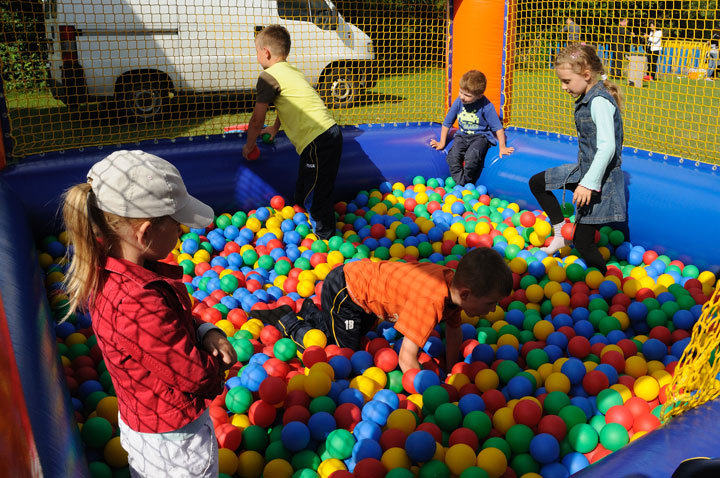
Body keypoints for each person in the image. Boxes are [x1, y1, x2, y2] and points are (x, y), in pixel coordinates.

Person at [61, 150, 237, 477]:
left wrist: (204, 332)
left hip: (145, 422)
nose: (182, 233)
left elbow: (168, 334)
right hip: (173, 443)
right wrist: (222, 365)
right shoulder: (136, 302)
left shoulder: (116, 271)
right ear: (145, 233)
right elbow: (195, 375)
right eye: (177, 225)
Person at [250, 247, 512, 373]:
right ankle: (286, 318)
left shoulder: (452, 288)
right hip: (347, 290)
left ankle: (311, 310)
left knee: (358, 334)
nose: (491, 311)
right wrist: (430, 394)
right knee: (341, 352)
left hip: (365, 293)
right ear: (466, 294)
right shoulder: (431, 301)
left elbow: (453, 332)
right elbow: (405, 359)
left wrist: (452, 369)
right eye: (490, 303)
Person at [528, 44, 626, 275]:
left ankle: (603, 281)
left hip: (600, 181)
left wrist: (588, 184)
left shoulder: (599, 102)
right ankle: (561, 233)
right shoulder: (589, 96)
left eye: (567, 81)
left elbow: (608, 147)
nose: (563, 87)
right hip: (585, 171)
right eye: (561, 81)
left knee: (583, 243)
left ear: (586, 75)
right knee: (537, 183)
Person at [242, 24, 343, 239]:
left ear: (266, 52)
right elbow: (293, 103)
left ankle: (325, 240)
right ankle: (300, 219)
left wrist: (249, 146)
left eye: (257, 52)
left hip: (317, 139)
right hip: (328, 134)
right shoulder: (292, 70)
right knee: (309, 182)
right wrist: (276, 127)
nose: (257, 57)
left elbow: (257, 118)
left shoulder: (268, 76)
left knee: (317, 192)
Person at [430, 70, 514, 186]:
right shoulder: (459, 102)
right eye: (461, 92)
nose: (462, 97)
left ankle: (467, 183)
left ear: (479, 96)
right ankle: (461, 184)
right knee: (453, 157)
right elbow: (447, 123)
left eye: (467, 95)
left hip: (480, 137)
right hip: (462, 136)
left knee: (472, 158)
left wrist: (502, 147)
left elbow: (498, 127)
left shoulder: (486, 106)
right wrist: (442, 143)